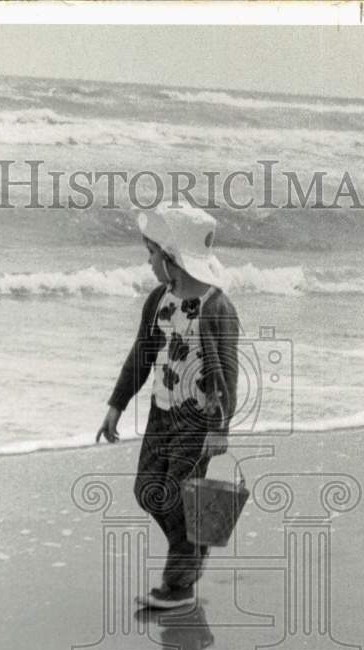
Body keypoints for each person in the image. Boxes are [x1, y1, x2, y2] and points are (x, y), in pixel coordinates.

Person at [96, 203, 239, 609]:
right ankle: (196, 542)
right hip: (162, 413)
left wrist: (220, 428)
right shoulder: (159, 300)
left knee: (177, 492)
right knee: (148, 490)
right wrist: (116, 405)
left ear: (172, 258)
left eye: (152, 252)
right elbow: (142, 354)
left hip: (198, 419)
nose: (148, 260)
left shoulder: (216, 308)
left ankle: (179, 584)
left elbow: (226, 376)